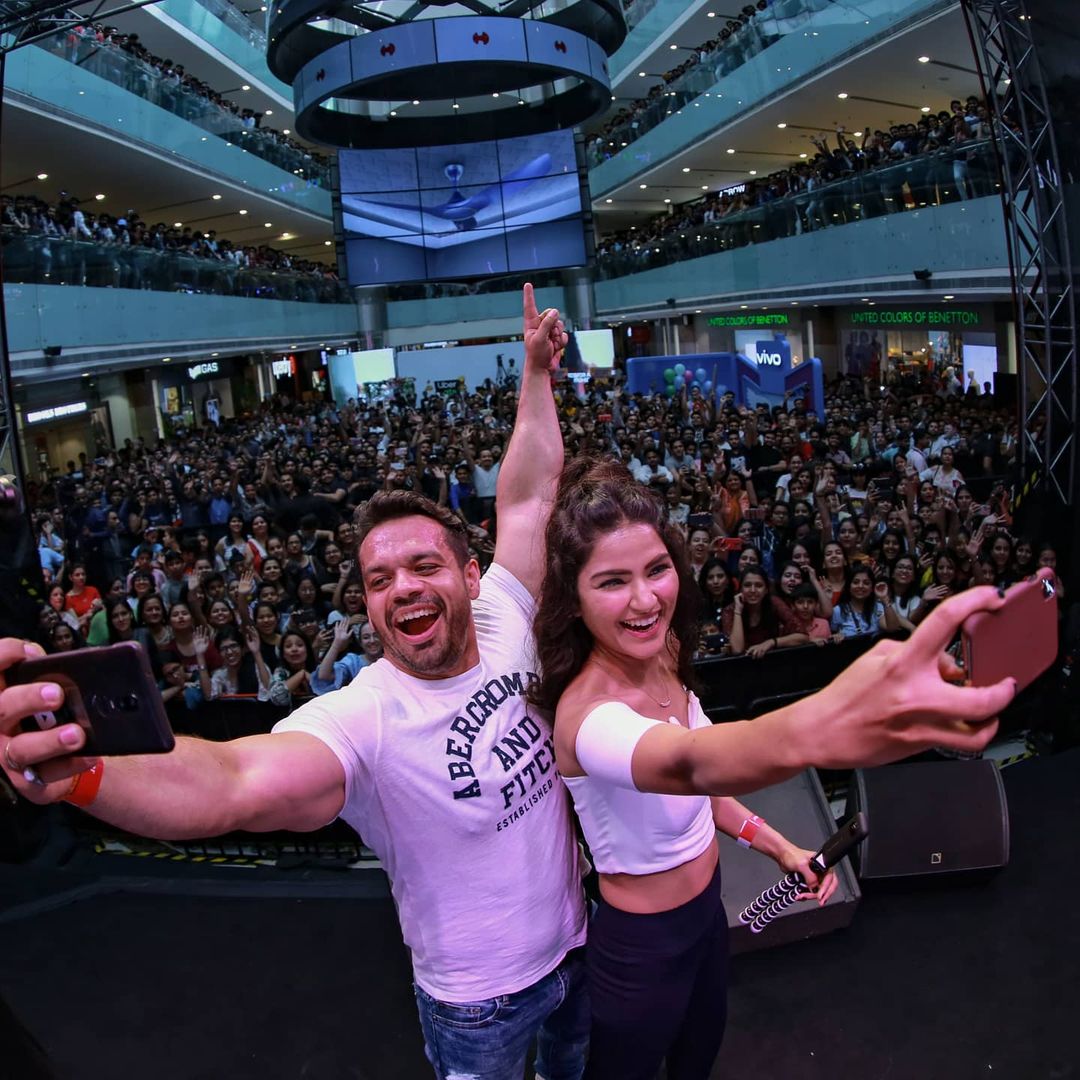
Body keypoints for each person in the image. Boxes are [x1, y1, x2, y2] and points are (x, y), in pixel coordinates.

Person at [0, 290, 1019, 1077]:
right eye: (379, 580)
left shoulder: (504, 616)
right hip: (476, 1001)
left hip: (581, 948)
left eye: (423, 564)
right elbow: (227, 785)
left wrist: (537, 374)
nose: (404, 586)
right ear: (367, 606)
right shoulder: (361, 719)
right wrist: (83, 773)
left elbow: (528, 492)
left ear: (468, 571)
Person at [528, 457, 1015, 1080]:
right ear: (572, 600)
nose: (646, 599)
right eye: (612, 582)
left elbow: (706, 793)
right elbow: (690, 764)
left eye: (656, 569)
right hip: (642, 948)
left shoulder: (662, 651)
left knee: (698, 1057)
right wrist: (825, 721)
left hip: (708, 916)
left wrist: (779, 846)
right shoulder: (587, 716)